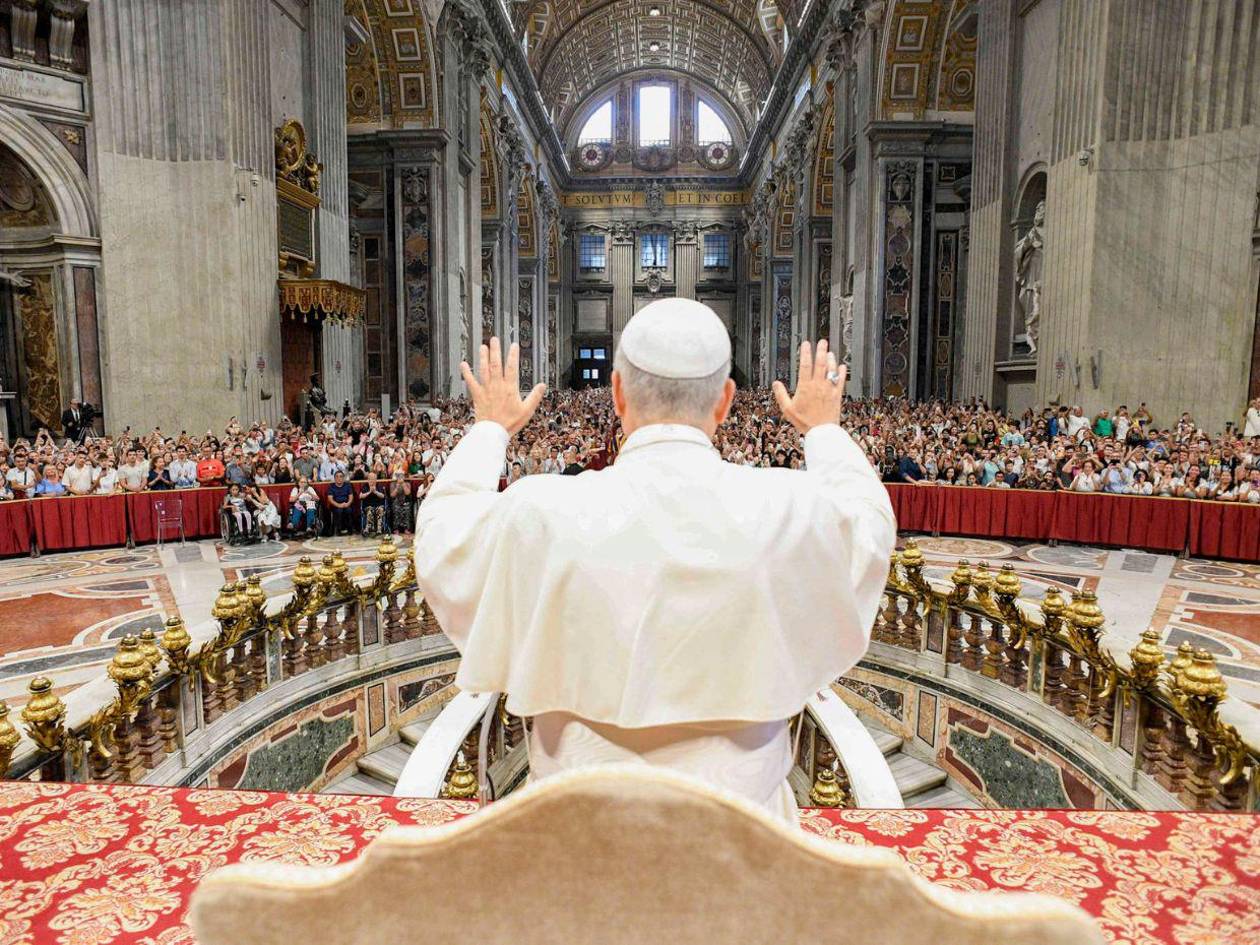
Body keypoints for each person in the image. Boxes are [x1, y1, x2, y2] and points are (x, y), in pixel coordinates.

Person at [411, 300, 895, 824]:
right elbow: (870, 527)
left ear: (616, 393)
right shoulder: (792, 508)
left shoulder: (539, 510)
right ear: (725, 401)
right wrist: (823, 430)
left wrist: (490, 430)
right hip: (746, 849)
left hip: (573, 839)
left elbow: (443, 540)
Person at [326, 470, 355, 535]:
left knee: (349, 510)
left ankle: (349, 529)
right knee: (339, 511)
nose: (339, 478)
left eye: (341, 476)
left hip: (346, 504)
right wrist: (338, 505)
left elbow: (351, 496)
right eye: (337, 477)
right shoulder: (331, 486)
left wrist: (348, 503)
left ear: (343, 478)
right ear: (334, 478)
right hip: (335, 505)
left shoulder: (347, 485)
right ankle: (339, 530)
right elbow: (330, 499)